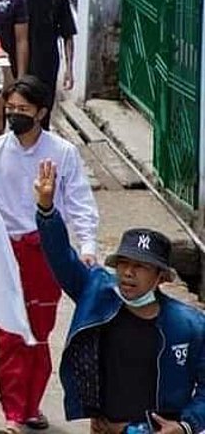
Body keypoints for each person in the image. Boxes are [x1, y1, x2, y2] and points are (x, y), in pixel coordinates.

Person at [35, 166, 205, 434]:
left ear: (161, 277)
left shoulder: (190, 326)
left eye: (140, 266)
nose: (128, 272)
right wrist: (47, 211)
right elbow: (62, 259)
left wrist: (185, 426)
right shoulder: (97, 295)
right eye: (123, 263)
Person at [0, 75, 99, 434]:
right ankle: (13, 413)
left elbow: (80, 202)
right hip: (5, 251)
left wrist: (88, 246)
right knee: (8, 334)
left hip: (45, 252)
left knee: (38, 332)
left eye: (24, 109)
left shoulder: (62, 152)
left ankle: (31, 405)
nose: (16, 114)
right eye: (11, 108)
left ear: (41, 112)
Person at [21, 0, 77, 126]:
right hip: (21, 60)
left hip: (47, 62)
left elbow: (68, 35)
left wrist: (69, 69)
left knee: (43, 106)